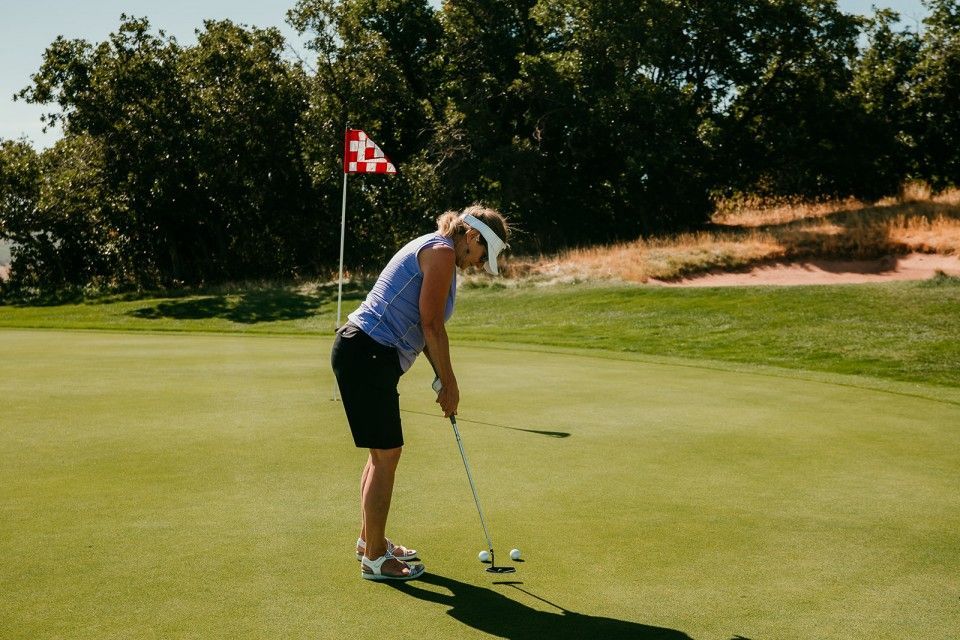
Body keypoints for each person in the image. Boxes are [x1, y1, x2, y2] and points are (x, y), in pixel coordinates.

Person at [331, 205, 509, 581]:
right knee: (386, 456)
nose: (480, 264)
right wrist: (451, 381)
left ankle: (369, 541)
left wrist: (442, 378)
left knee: (381, 454)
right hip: (368, 353)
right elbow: (431, 325)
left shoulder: (438, 249)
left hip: (363, 352)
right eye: (482, 255)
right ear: (473, 237)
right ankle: (376, 559)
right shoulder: (443, 253)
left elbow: (425, 326)